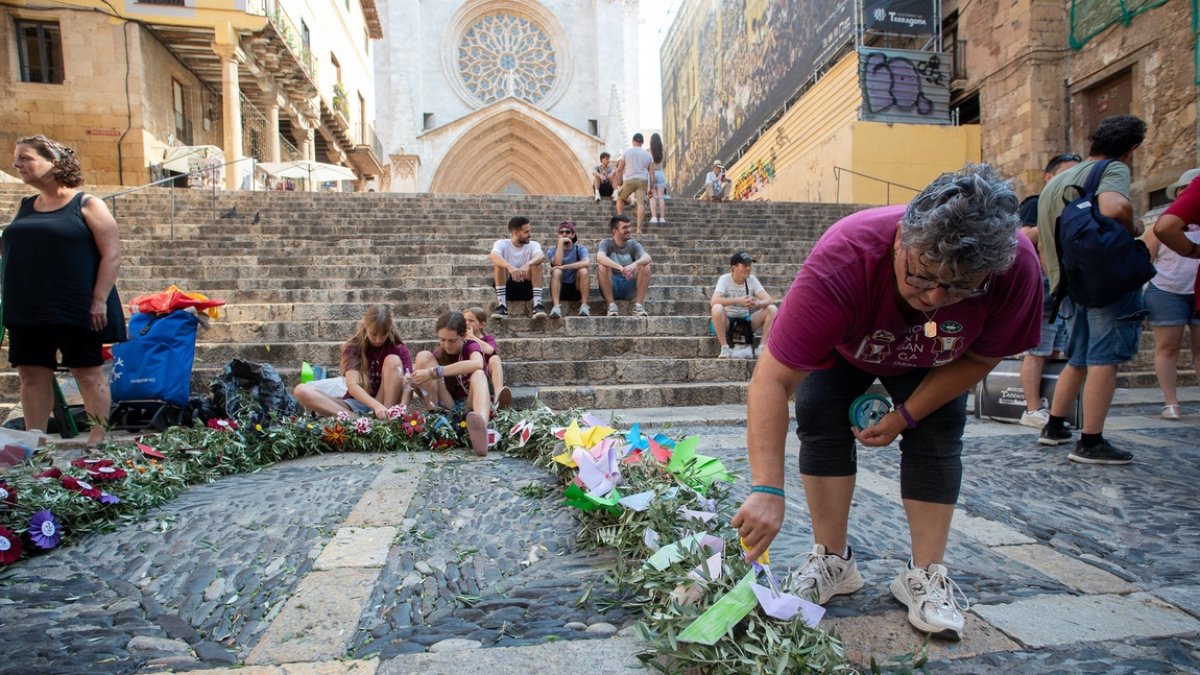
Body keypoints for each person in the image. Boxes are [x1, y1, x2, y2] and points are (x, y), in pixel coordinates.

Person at [732, 164, 1041, 642]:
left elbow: (982, 356)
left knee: (938, 433)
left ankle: (925, 573)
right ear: (901, 239)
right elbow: (771, 379)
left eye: (960, 287)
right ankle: (833, 560)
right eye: (922, 277)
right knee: (819, 416)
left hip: (939, 359)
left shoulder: (1015, 265)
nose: (936, 298)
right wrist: (768, 489)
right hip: (847, 347)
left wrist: (907, 414)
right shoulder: (845, 257)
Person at [1035, 114, 1147, 464]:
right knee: (1104, 358)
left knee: (1079, 357)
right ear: (1131, 150)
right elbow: (1115, 206)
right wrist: (1135, 224)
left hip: (1068, 283)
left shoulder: (1058, 181)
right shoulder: (1113, 169)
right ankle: (1091, 441)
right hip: (1103, 279)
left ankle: (1053, 426)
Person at [3, 134, 127, 449]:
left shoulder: (87, 204)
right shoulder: (26, 206)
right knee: (31, 374)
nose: (17, 164)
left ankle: (97, 438)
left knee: (87, 371)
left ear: (54, 162)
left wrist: (98, 300)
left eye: (25, 158)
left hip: (76, 304)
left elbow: (112, 254)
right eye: (16, 159)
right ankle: (36, 441)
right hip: (29, 304)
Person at [1015, 153, 1080, 427]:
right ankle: (1031, 409)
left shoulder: (1074, 205)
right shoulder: (1037, 203)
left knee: (1055, 348)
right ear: (1049, 177)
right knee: (1038, 349)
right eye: (1066, 173)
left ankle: (1048, 407)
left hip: (1063, 283)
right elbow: (1025, 237)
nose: (1072, 180)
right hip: (1042, 283)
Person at [293, 304, 413, 419]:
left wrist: (402, 408)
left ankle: (386, 421)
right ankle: (356, 421)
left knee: (393, 360)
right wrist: (375, 406)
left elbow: (408, 385)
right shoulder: (353, 347)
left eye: (383, 335)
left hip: (385, 404)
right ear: (366, 328)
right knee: (301, 390)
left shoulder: (399, 348)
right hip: (356, 403)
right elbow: (352, 386)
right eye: (374, 334)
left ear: (389, 330)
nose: (378, 340)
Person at [1145, 169, 1200, 419]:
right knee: (1168, 346)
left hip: (1196, 289)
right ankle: (1171, 402)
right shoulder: (1163, 220)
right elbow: (1146, 258)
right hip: (1167, 290)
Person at [410, 311, 491, 456]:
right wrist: (415, 384)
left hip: (471, 404)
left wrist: (436, 371)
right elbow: (425, 391)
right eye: (442, 340)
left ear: (463, 336)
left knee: (479, 374)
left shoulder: (471, 346)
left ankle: (481, 429)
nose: (446, 345)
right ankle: (434, 416)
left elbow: (478, 363)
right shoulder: (439, 353)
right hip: (449, 406)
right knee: (423, 356)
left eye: (452, 341)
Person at [710, 251, 777, 359]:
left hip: (744, 322)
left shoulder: (752, 280)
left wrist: (758, 303)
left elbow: (770, 300)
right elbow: (714, 301)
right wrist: (738, 300)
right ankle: (724, 347)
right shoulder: (725, 279)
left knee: (772, 309)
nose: (748, 268)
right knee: (717, 308)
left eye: (749, 265)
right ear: (734, 267)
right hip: (727, 322)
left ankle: (761, 347)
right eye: (744, 265)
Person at [489, 216, 547, 319]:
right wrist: (509, 267)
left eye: (529, 231)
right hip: (508, 288)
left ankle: (537, 305)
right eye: (526, 232)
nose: (530, 234)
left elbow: (541, 256)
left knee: (537, 264)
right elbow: (493, 255)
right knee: (499, 265)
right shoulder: (502, 243)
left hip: (528, 288)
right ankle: (502, 306)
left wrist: (527, 264)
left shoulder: (533, 244)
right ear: (515, 233)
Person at [597, 215, 652, 317]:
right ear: (615, 231)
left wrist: (634, 264)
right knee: (602, 266)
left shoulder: (633, 244)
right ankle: (611, 306)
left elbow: (647, 257)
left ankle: (638, 306)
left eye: (629, 226)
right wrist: (620, 268)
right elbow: (600, 257)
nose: (629, 230)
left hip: (628, 286)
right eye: (624, 227)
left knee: (645, 266)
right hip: (611, 286)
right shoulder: (606, 243)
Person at [462, 306, 512, 409]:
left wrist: (472, 337)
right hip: (469, 375)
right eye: (465, 320)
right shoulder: (460, 338)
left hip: (485, 374)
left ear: (482, 324)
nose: (467, 323)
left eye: (471, 321)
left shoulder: (487, 338)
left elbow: (490, 350)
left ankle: (498, 396)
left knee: (495, 359)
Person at [547, 221, 591, 318]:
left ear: (573, 234)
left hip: (576, 288)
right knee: (556, 271)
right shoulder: (552, 250)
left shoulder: (580, 248)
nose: (564, 234)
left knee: (583, 270)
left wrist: (564, 267)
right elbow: (557, 263)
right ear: (558, 235)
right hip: (560, 288)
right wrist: (560, 245)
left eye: (567, 232)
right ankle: (556, 307)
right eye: (561, 232)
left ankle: (584, 306)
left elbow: (586, 263)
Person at [615, 133, 654, 235]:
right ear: (642, 142)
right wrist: (651, 188)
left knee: (620, 198)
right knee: (640, 204)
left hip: (629, 180)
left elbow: (619, 169)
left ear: (633, 141)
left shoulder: (627, 152)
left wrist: (619, 182)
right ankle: (638, 229)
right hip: (642, 181)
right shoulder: (648, 155)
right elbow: (651, 173)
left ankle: (620, 223)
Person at [648, 133, 668, 224]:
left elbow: (646, 165)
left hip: (651, 173)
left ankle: (654, 217)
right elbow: (665, 165)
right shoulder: (663, 151)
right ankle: (662, 218)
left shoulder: (648, 151)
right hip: (660, 173)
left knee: (652, 196)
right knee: (661, 197)